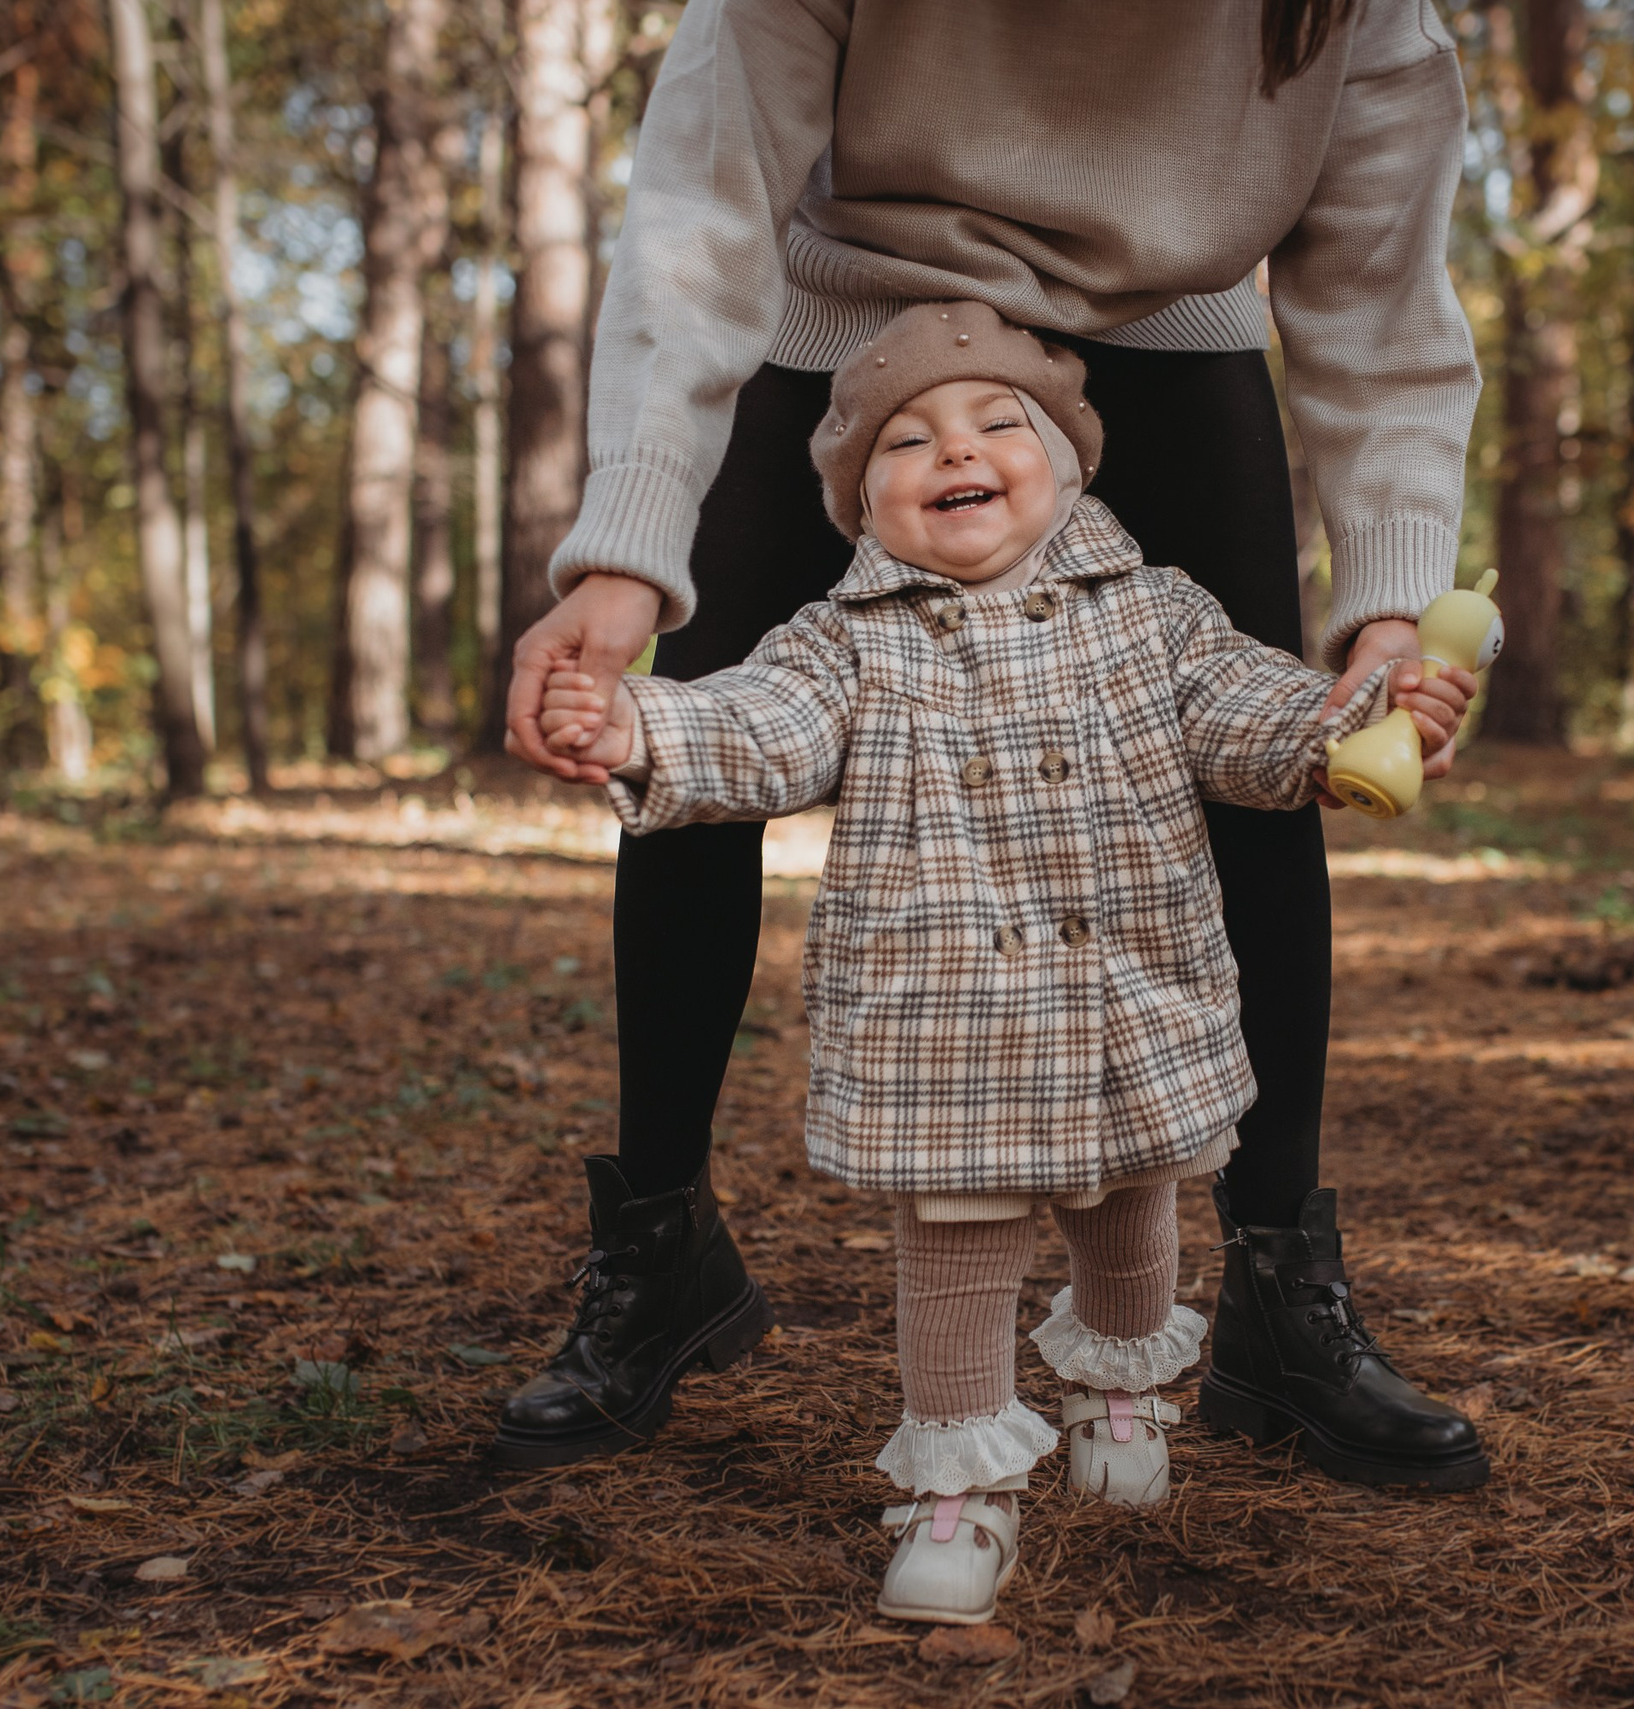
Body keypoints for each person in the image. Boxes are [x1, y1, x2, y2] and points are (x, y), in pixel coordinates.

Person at [494, 0, 1490, 1488]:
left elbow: (1382, 292)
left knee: (1257, 776)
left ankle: (1280, 1288)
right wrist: (626, 560)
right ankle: (660, 1250)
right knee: (698, 750)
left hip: (1172, 338)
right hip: (842, 338)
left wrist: (1393, 607)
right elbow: (705, 203)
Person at [531, 304, 1480, 1624]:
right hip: (948, 1022)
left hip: (1127, 991)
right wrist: (635, 722)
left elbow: (1257, 716)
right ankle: (958, 1486)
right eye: (903, 443)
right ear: (864, 509)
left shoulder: (1159, 616)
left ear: (1071, 461)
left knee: (1132, 1203)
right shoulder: (849, 639)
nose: (951, 450)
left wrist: (1363, 722)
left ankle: (1119, 1390)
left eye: (994, 424)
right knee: (957, 1246)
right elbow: (756, 728)